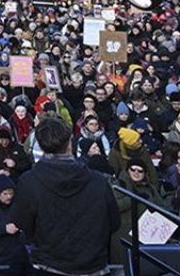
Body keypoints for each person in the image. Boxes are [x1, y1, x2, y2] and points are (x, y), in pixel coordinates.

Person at [10, 117, 119, 276]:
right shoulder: (98, 181)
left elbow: (22, 223)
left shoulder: (29, 182)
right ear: (69, 144)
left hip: (54, 265)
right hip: (86, 266)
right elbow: (113, 222)